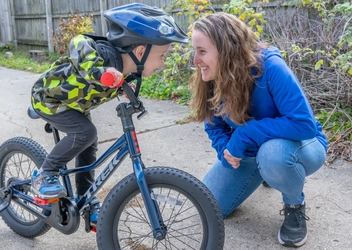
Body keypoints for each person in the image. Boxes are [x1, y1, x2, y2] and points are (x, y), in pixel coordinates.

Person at [30, 2, 188, 225]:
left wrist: (129, 92)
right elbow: (78, 43)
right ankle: (45, 174)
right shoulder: (104, 55)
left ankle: (85, 199)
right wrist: (99, 71)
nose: (163, 63)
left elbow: (120, 83)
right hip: (49, 99)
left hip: (76, 106)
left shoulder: (130, 71)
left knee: (88, 142)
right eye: (162, 56)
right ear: (140, 51)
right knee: (86, 133)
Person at [189, 12, 327, 247]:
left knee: (273, 155)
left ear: (226, 49)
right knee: (209, 205)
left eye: (202, 51)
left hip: (302, 145)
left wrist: (245, 133)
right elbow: (214, 126)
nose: (195, 60)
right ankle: (266, 171)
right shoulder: (211, 76)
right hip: (253, 152)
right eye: (195, 51)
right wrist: (227, 151)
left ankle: (294, 204)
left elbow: (303, 124)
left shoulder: (270, 66)